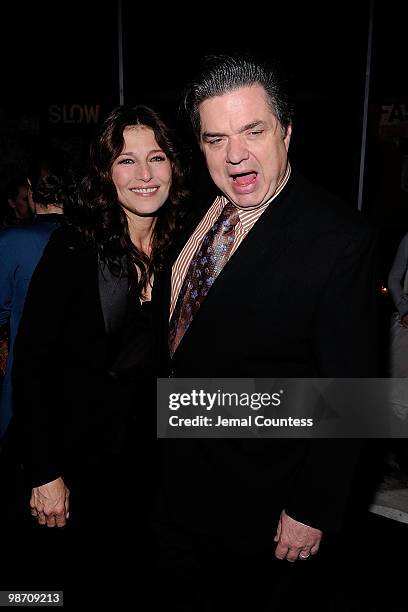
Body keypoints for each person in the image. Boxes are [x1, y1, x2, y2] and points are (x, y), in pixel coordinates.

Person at [154, 54, 378, 610]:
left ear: (286, 131)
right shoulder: (195, 212)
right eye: (215, 138)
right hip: (174, 486)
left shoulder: (338, 239)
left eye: (253, 130)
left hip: (260, 504)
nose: (235, 155)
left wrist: (313, 508)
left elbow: (352, 393)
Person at [7, 105, 188, 603]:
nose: (145, 175)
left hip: (149, 468)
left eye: (157, 158)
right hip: (77, 464)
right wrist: (44, 472)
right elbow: (32, 363)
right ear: (106, 173)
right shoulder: (74, 248)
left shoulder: (184, 248)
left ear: (175, 165)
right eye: (127, 161)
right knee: (54, 591)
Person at [0, 156, 70, 438]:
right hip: (79, 400)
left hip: (26, 402)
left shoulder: (13, 242)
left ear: (30, 189)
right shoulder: (97, 240)